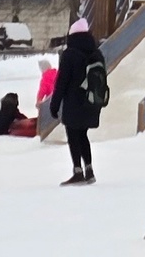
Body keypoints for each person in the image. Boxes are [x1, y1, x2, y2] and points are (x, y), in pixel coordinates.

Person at [46, 15, 105, 186]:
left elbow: (62, 81)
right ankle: (89, 170)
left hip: (73, 102)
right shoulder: (97, 52)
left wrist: (54, 104)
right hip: (91, 101)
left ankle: (77, 171)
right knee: (83, 134)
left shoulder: (70, 54)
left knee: (73, 135)